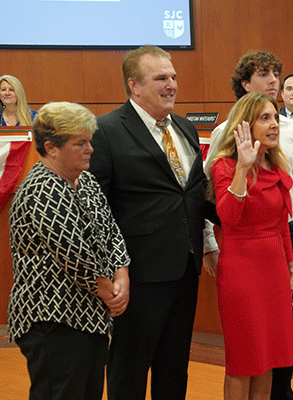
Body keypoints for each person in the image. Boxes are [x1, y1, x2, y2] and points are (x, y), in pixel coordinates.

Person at [88, 45, 220, 400]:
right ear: (134, 86)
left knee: (174, 367)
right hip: (136, 274)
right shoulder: (105, 130)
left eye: (173, 76)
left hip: (184, 269)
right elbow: (94, 209)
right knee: (129, 370)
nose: (172, 84)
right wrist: (112, 269)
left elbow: (194, 193)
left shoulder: (186, 128)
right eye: (161, 78)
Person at [204, 50, 293, 400]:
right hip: (241, 270)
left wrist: (292, 272)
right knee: (244, 360)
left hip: (275, 272)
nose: (274, 124)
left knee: (269, 359)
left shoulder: (277, 167)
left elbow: (283, 226)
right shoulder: (225, 167)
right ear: (245, 126)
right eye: (265, 118)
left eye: (274, 118)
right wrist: (242, 169)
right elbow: (227, 217)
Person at [7, 101, 130, 400]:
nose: (90, 149)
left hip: (90, 317)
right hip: (52, 321)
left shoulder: (84, 180)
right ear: (51, 147)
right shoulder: (41, 189)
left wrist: (122, 274)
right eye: (81, 143)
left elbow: (111, 230)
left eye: (90, 141)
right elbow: (75, 256)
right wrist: (111, 293)